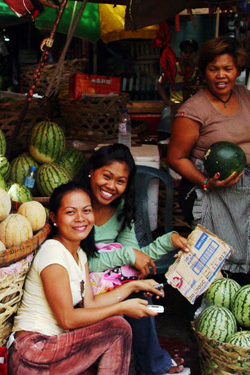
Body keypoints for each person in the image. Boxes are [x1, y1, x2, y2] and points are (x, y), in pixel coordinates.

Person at [8, 181, 165, 374]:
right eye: (70, 212)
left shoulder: (80, 254)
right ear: (54, 218)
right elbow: (67, 319)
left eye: (86, 211)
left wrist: (134, 286)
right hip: (33, 352)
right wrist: (123, 308)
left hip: (54, 350)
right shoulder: (52, 252)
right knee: (119, 328)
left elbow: (90, 304)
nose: (80, 218)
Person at [76, 144, 190, 375]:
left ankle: (152, 366)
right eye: (106, 176)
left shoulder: (122, 210)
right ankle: (151, 365)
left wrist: (171, 240)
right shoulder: (76, 206)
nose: (111, 186)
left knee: (140, 294)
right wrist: (127, 255)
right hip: (76, 289)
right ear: (91, 171)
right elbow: (79, 263)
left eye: (120, 181)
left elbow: (136, 256)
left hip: (104, 285)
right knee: (132, 295)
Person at [167, 36, 250, 283]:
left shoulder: (245, 96)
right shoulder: (194, 109)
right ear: (204, 71)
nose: (221, 75)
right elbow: (175, 157)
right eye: (214, 69)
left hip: (246, 189)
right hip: (212, 191)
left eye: (227, 68)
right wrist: (205, 182)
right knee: (218, 260)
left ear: (238, 70)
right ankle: (208, 310)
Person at [157, 40, 200, 139]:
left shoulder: (199, 70)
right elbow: (160, 84)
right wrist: (166, 101)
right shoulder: (174, 68)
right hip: (175, 104)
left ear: (195, 54)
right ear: (181, 53)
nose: (188, 55)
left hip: (193, 106)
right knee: (166, 120)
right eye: (185, 52)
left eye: (191, 52)